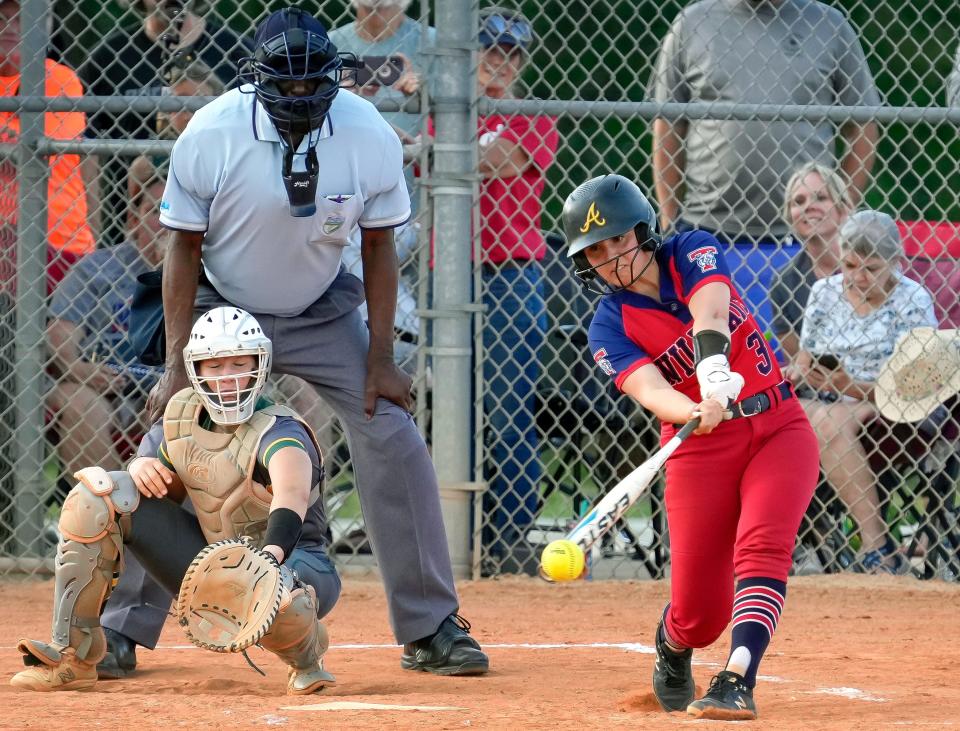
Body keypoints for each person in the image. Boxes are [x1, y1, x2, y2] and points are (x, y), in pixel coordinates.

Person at [144, 7, 488, 675]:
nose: (300, 96)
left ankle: (430, 626)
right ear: (257, 77)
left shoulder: (367, 133)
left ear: (335, 77)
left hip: (320, 305)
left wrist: (381, 358)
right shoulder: (212, 131)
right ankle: (123, 629)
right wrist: (175, 367)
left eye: (313, 85)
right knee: (169, 440)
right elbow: (181, 248)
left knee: (390, 429)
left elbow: (379, 243)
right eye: (286, 85)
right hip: (226, 304)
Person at [561, 174, 819, 720]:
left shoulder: (691, 249)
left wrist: (714, 369)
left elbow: (711, 313)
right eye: (595, 251)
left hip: (778, 425)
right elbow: (650, 390)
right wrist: (693, 408)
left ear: (643, 231)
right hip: (699, 448)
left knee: (762, 548)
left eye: (617, 239)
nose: (610, 257)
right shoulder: (609, 323)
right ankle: (673, 643)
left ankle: (737, 678)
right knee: (702, 614)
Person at [11, 307, 339, 694]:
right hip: (214, 561)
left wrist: (267, 560)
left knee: (285, 595)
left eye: (239, 364)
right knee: (100, 496)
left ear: (260, 366)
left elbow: (292, 494)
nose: (229, 376)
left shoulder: (281, 430)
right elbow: (168, 493)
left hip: (296, 562)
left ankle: (306, 654)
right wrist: (142, 470)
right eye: (215, 366)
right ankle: (74, 652)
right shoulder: (185, 421)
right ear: (196, 370)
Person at [648, 0, 879, 340]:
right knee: (710, 364)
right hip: (708, 232)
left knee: (805, 369)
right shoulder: (692, 23)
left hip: (806, 246)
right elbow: (668, 127)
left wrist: (840, 213)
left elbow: (864, 125)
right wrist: (669, 221)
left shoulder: (828, 23)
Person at [796, 210, 937, 573]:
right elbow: (805, 360)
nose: (857, 278)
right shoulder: (824, 292)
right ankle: (771, 543)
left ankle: (875, 546)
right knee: (795, 415)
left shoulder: (913, 300)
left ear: (895, 262)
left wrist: (851, 387)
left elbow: (915, 389)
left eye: (871, 268)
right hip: (824, 398)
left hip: (890, 406)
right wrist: (798, 374)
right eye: (850, 265)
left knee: (827, 420)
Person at [474, 8, 558, 566]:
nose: (500, 63)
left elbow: (497, 160)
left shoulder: (534, 115)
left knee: (506, 412)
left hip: (511, 276)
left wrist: (449, 151)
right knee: (449, 417)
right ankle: (464, 535)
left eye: (511, 54)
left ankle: (509, 537)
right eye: (490, 50)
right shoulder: (447, 112)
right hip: (447, 276)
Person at [80, 0, 250, 246]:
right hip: (129, 231)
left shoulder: (238, 53)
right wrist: (94, 234)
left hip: (221, 230)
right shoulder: (107, 57)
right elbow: (87, 153)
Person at [47, 156, 167, 480]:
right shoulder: (97, 268)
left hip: (172, 387)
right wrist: (77, 369)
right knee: (77, 400)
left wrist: (175, 271)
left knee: (182, 407)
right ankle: (114, 516)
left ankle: (173, 521)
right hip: (103, 386)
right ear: (133, 219)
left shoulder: (210, 271)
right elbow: (62, 331)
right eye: (155, 211)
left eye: (175, 210)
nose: (166, 221)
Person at [0, 0, 94, 292]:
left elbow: (32, 148)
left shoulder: (59, 78)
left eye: (21, 20)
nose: (11, 28)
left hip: (60, 243)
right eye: (2, 18)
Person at [770, 163, 853, 366]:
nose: (809, 206)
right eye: (798, 201)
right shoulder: (783, 282)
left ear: (844, 209)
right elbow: (799, 365)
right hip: (816, 389)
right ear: (790, 216)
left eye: (821, 198)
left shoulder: (871, 265)